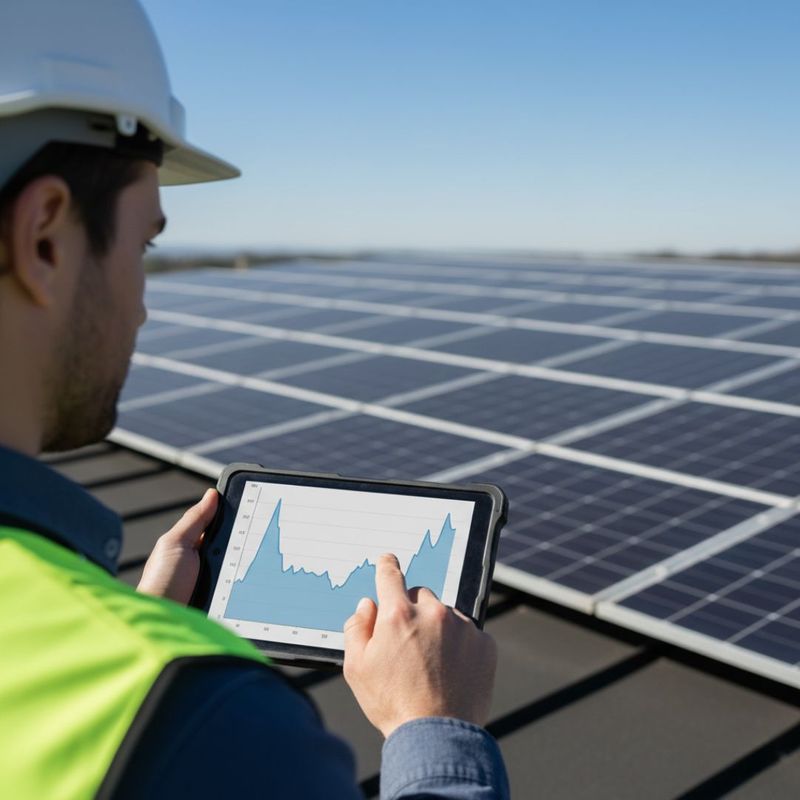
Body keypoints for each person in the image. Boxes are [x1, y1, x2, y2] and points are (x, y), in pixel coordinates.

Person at [0, 1, 510, 798]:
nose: (142, 305)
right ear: (45, 237)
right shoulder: (198, 719)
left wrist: (130, 622)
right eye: (145, 245)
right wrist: (435, 728)